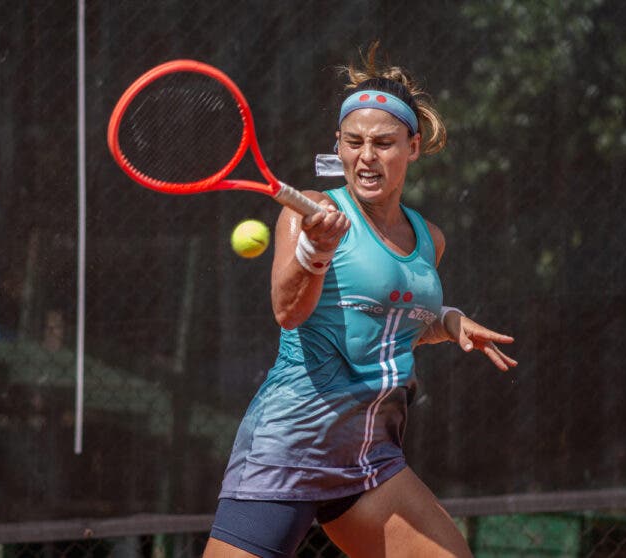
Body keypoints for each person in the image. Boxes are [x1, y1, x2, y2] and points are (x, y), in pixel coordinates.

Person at [203, 43, 517, 558]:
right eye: (354, 142)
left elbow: (399, 317)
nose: (366, 157)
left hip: (371, 456)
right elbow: (289, 312)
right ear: (339, 145)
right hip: (292, 446)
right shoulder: (313, 214)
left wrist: (451, 321)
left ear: (412, 147)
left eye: (384, 143)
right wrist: (315, 251)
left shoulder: (428, 237)